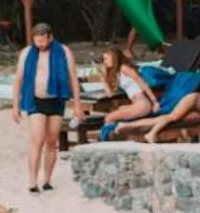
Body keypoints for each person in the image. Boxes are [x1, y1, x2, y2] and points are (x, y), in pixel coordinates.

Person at [13, 22, 83, 193]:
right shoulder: (27, 53)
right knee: (37, 139)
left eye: (43, 42)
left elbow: (73, 79)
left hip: (56, 100)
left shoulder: (63, 51)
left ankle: (47, 180)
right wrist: (15, 105)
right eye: (37, 42)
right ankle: (32, 181)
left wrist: (77, 106)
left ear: (50, 37)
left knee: (52, 142)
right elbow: (18, 80)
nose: (40, 45)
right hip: (35, 100)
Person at [97, 47, 158, 126]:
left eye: (106, 58)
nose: (104, 62)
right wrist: (103, 79)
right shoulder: (117, 73)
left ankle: (108, 136)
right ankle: (112, 135)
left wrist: (155, 102)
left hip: (142, 103)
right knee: (114, 112)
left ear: (114, 58)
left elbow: (142, 83)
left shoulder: (124, 68)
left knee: (109, 118)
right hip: (135, 104)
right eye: (104, 59)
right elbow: (110, 94)